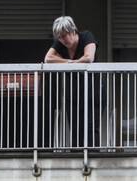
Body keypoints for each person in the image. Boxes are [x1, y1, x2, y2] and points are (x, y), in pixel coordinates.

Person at [43, 16, 102, 148]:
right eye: (59, 37)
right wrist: (71, 62)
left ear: (73, 30)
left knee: (91, 127)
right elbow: (48, 58)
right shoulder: (60, 42)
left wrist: (65, 62)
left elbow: (88, 58)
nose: (63, 40)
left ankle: (92, 158)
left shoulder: (86, 36)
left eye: (65, 35)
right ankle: (77, 158)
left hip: (93, 91)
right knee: (75, 128)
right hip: (72, 93)